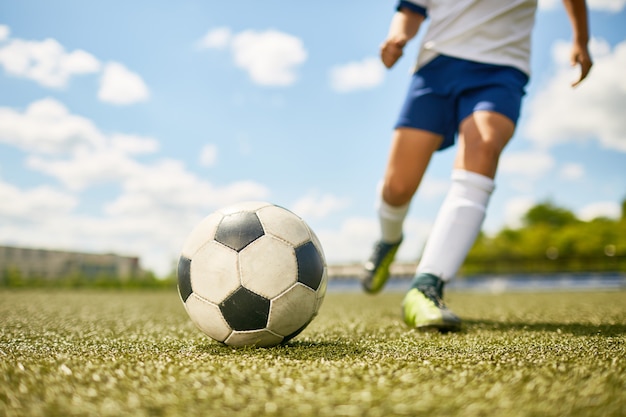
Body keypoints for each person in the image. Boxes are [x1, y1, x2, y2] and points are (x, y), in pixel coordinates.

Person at [361, 0, 592, 331]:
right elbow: (412, 9)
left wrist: (580, 39)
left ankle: (426, 286)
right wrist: (398, 37)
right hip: (436, 67)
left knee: (483, 146)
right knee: (397, 188)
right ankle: (389, 240)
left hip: (501, 67)